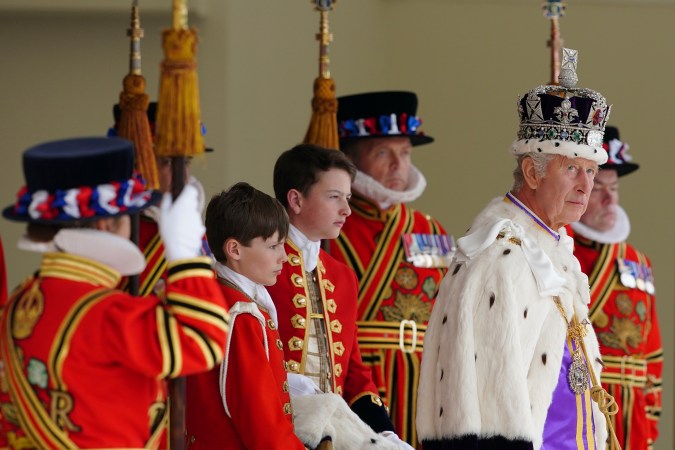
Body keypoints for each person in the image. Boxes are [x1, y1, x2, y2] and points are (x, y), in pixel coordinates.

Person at [417, 53, 615, 449]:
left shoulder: (555, 250)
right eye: (571, 168)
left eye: (591, 171)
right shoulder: (498, 259)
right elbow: (479, 404)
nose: (585, 186)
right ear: (531, 173)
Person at [0, 137, 229, 449]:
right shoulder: (104, 312)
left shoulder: (19, 300)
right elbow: (203, 339)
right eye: (127, 217)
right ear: (108, 223)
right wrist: (186, 253)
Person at [268, 144, 412, 448]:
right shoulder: (261, 264)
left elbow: (353, 371)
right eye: (334, 197)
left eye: (347, 198)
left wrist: (383, 432)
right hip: (274, 431)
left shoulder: (341, 275)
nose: (346, 209)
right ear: (295, 200)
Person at [329, 90, 451, 447]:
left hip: (423, 385)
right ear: (349, 160)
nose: (400, 165)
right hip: (354, 382)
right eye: (383, 153)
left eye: (405, 152)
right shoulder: (329, 227)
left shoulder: (430, 230)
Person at [185, 182, 306, 449]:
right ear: (235, 250)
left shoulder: (217, 296)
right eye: (273, 246)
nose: (283, 257)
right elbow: (262, 424)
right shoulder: (240, 316)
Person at [571, 126, 662, 450]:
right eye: (599, 189)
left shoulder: (637, 261)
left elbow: (652, 354)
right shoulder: (557, 250)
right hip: (576, 405)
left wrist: (648, 422)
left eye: (615, 188)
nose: (610, 199)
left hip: (630, 418)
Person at [110, 102, 212, 297]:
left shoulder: (188, 219)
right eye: (167, 162)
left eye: (186, 161)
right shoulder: (120, 226)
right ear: (140, 165)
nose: (181, 172)